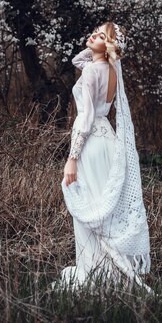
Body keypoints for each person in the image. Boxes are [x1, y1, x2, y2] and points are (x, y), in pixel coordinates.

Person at [53, 21, 152, 293]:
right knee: (104, 210)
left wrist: (72, 157)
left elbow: (84, 119)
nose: (92, 35)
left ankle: (95, 274)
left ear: (109, 45)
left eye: (100, 35)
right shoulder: (110, 71)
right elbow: (80, 59)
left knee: (90, 211)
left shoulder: (91, 72)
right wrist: (100, 48)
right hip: (107, 140)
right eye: (94, 31)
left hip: (90, 144)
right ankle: (113, 275)